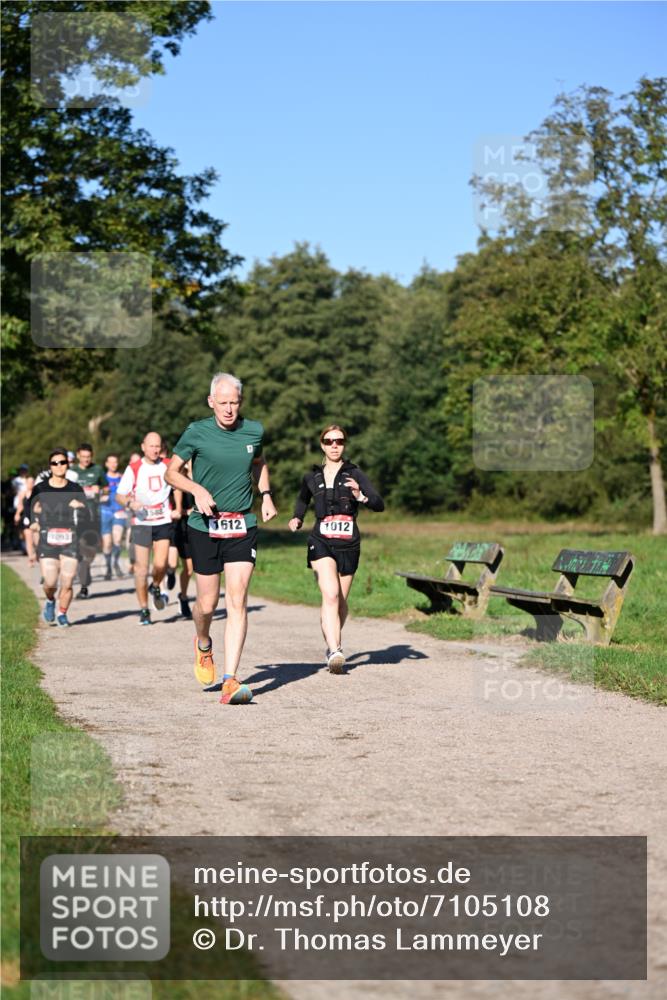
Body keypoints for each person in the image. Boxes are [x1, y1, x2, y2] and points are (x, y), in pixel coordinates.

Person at [166, 371, 277, 705]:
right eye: (223, 402)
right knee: (207, 604)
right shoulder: (196, 432)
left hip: (242, 524)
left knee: (238, 599)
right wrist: (196, 488)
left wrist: (267, 494)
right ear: (211, 401)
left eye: (234, 402)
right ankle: (203, 641)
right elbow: (171, 472)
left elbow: (258, 463)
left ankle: (230, 679)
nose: (229, 409)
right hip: (204, 527)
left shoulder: (253, 430)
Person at [288, 425, 384, 673]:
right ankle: (335, 650)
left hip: (349, 542)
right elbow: (302, 499)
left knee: (340, 602)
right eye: (329, 441)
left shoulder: (355, 473)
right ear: (322, 444)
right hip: (320, 539)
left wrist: (361, 497)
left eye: (339, 441)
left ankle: (331, 643)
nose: (334, 445)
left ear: (344, 445)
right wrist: (297, 518)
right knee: (329, 595)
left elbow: (378, 503)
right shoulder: (312, 477)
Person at [27, 449, 88, 627]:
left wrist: (81, 506)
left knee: (67, 582)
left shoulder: (75, 488)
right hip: (48, 538)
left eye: (62, 462)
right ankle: (50, 600)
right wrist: (32, 522)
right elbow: (29, 506)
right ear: (50, 466)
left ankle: (62, 613)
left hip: (71, 538)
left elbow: (87, 513)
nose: (59, 466)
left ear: (67, 465)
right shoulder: (42, 488)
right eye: (55, 463)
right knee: (50, 582)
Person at [116, 432, 173, 626]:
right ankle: (144, 609)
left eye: (158, 446)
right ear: (143, 447)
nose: (155, 450)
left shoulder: (168, 464)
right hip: (141, 524)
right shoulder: (134, 468)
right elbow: (120, 495)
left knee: (160, 564)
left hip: (163, 520)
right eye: (151, 446)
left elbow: (186, 475)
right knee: (141, 570)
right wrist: (130, 502)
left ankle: (155, 585)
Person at [69, 443, 106, 598]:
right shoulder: (71, 472)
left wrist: (100, 491)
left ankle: (85, 577)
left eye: (88, 457)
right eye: (83, 457)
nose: (86, 460)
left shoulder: (97, 470)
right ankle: (84, 583)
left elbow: (107, 489)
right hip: (74, 518)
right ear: (78, 456)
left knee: (89, 552)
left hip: (93, 516)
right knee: (77, 552)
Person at [172, 460, 195, 619]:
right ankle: (164, 578)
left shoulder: (196, 479)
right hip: (173, 526)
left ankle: (183, 597)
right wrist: (186, 511)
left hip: (191, 527)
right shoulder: (172, 478)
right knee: (171, 564)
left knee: (189, 569)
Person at [100, 453, 127, 579]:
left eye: (115, 462)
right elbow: (95, 494)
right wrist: (100, 497)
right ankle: (108, 566)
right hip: (105, 512)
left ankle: (115, 563)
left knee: (117, 540)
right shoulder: (102, 478)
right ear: (106, 464)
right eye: (110, 462)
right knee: (107, 543)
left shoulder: (122, 478)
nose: (113, 464)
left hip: (119, 511)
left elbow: (127, 494)